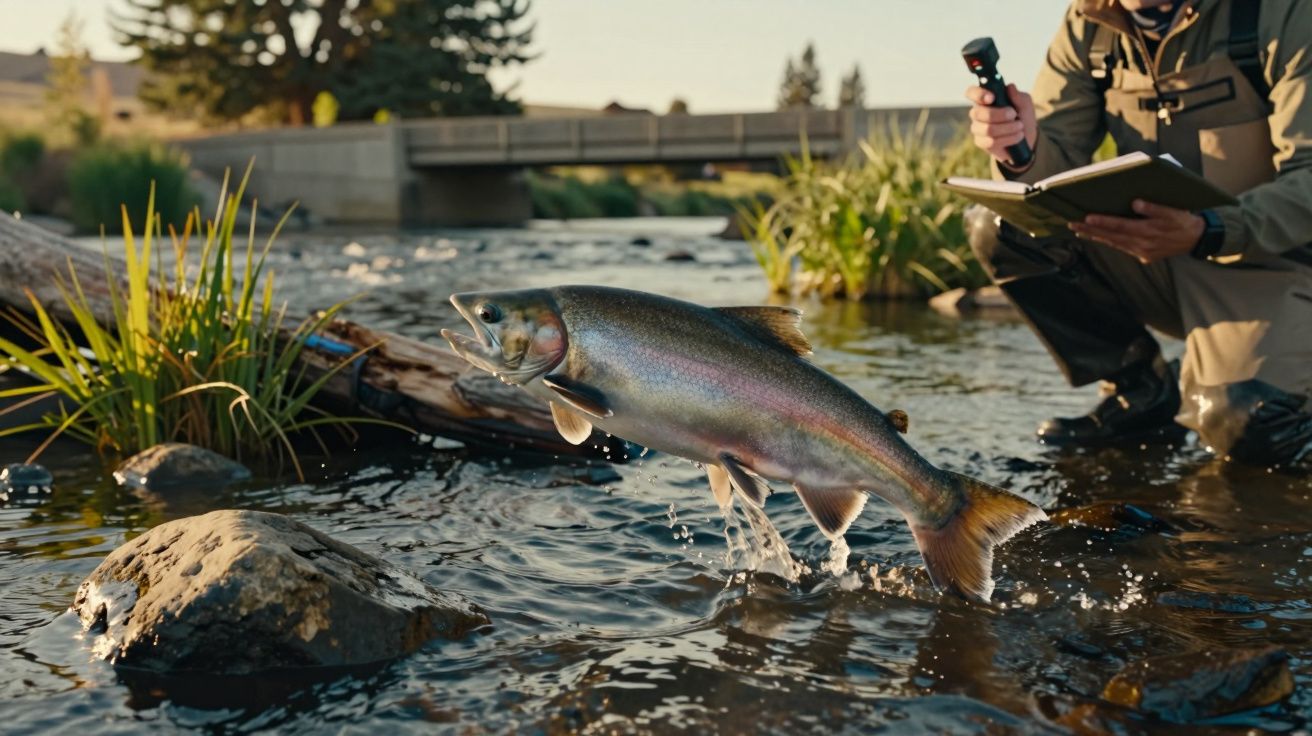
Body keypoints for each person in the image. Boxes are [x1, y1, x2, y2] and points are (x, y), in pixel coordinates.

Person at [963, 0, 1312, 466]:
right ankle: (1141, 391)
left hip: (1279, 266)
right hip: (1159, 259)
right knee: (1002, 225)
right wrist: (1022, 153)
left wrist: (1208, 229)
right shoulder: (1087, 22)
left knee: (1249, 425)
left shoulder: (1283, 11)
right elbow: (1053, 169)